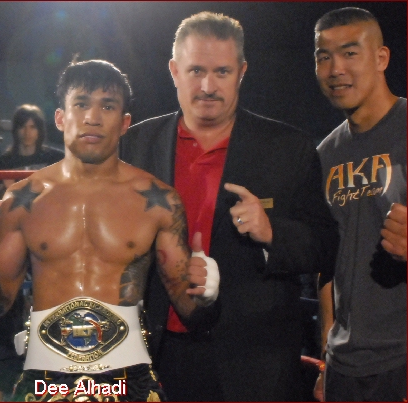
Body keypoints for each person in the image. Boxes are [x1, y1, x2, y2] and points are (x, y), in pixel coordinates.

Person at [0, 59, 220, 402]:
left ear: (124, 123)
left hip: (128, 378)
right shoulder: (22, 200)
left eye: (107, 106)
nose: (93, 117)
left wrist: (206, 293)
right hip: (46, 378)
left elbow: (190, 310)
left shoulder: (158, 201)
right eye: (81, 104)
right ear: (60, 118)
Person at [119, 11, 339, 401]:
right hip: (155, 356)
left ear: (242, 72)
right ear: (174, 71)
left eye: (221, 72)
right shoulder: (135, 145)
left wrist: (272, 233)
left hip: (255, 363)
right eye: (196, 71)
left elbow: (325, 246)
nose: (208, 86)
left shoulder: (288, 148)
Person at [311, 7, 406, 402]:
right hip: (345, 367)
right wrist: (327, 355)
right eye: (324, 57)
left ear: (381, 58)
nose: (336, 69)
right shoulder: (324, 155)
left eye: (350, 53)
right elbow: (326, 264)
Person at [0, 104, 63, 213]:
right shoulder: (3, 162)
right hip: (15, 218)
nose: (27, 132)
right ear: (16, 130)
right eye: (22, 127)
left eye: (32, 127)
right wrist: (6, 189)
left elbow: (65, 193)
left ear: (39, 130)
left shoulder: (55, 158)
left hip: (49, 215)